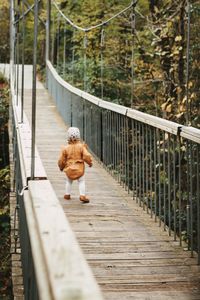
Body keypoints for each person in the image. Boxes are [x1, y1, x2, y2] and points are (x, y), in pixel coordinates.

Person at [58, 127, 92, 203]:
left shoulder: (65, 148)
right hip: (79, 169)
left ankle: (67, 194)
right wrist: (90, 163)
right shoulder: (81, 147)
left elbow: (61, 160)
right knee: (81, 181)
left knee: (68, 181)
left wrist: (61, 167)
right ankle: (82, 195)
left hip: (69, 169)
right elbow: (86, 156)